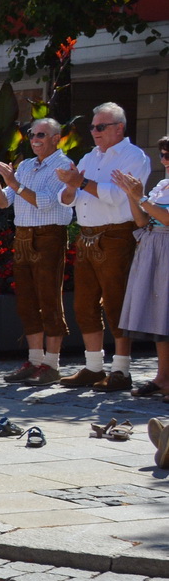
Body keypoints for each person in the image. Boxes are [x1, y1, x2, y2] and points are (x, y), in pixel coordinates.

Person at [56, 103, 153, 392]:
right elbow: (67, 199)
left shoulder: (134, 157)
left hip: (116, 235)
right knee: (84, 304)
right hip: (87, 235)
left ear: (119, 128)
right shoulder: (89, 155)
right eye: (93, 127)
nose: (95, 132)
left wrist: (81, 182)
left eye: (101, 127)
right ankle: (93, 366)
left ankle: (121, 369)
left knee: (116, 302)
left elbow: (117, 197)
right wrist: (72, 186)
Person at [0, 118, 74, 384]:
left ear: (56, 138)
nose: (34, 139)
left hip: (49, 235)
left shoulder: (64, 166)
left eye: (41, 134)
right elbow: (4, 202)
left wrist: (13, 182)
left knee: (49, 299)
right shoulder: (26, 166)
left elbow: (45, 202)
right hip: (24, 235)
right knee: (26, 301)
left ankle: (52, 364)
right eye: (32, 134)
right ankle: (35, 361)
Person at [114, 138, 169, 399]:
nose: (166, 159)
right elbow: (143, 220)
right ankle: (162, 377)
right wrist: (130, 196)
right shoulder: (161, 185)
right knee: (159, 314)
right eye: (163, 154)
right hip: (152, 247)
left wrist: (141, 197)